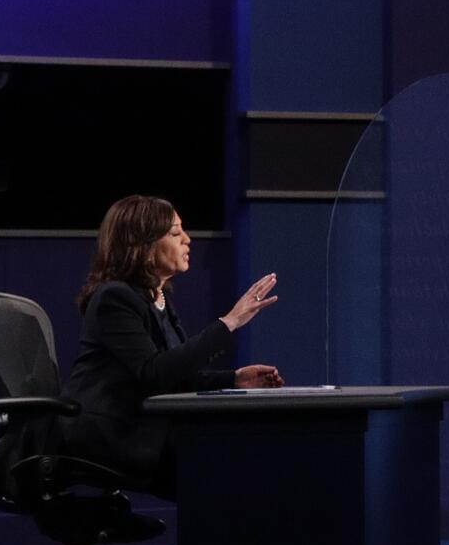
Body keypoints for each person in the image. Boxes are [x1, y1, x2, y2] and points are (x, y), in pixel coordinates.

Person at [62, 195, 284, 498]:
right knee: (224, 461)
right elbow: (154, 373)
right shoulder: (114, 298)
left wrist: (234, 379)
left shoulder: (158, 299)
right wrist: (229, 322)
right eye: (176, 233)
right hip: (113, 433)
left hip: (143, 428)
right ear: (144, 243)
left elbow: (178, 375)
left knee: (241, 455)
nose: (188, 240)